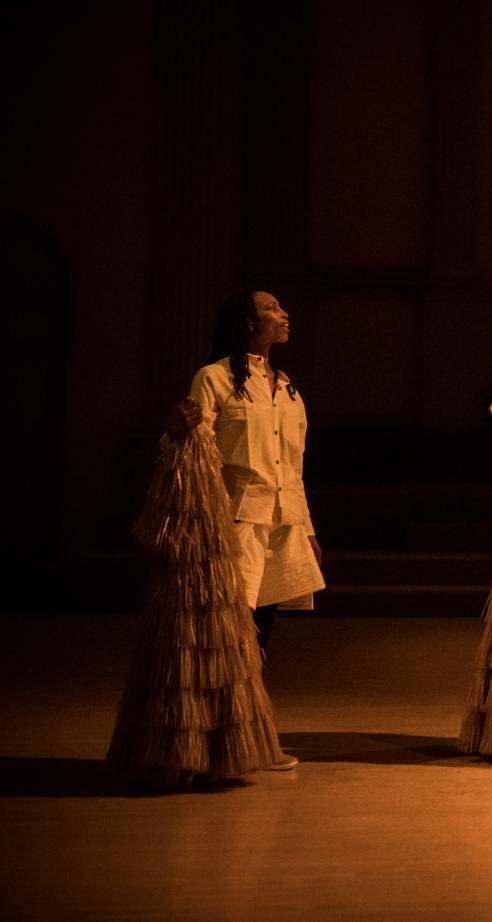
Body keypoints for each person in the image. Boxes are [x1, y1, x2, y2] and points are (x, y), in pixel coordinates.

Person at [165, 290, 325, 771]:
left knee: (259, 638)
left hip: (280, 525)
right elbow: (194, 448)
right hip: (233, 522)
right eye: (272, 308)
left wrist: (308, 528)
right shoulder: (214, 379)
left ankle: (247, 738)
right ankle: (214, 744)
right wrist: (172, 430)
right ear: (247, 324)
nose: (284, 313)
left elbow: (292, 465)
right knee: (227, 634)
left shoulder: (285, 385)